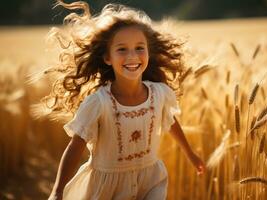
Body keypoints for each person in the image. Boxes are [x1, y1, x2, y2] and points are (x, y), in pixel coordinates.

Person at [45, 1, 205, 199]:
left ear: (148, 52)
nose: (132, 56)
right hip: (108, 188)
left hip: (150, 179)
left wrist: (190, 153)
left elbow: (170, 122)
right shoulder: (99, 103)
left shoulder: (160, 93)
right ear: (107, 57)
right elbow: (75, 147)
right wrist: (57, 190)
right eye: (122, 49)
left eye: (140, 48)